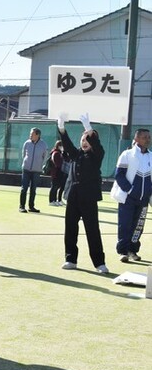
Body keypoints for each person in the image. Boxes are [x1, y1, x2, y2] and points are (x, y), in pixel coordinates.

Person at [57, 113, 108, 273]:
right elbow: (68, 144)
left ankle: (99, 263)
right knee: (70, 228)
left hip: (89, 198)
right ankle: (70, 259)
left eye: (88, 139)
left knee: (92, 230)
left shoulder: (96, 155)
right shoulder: (76, 154)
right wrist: (62, 129)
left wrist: (89, 128)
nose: (84, 142)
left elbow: (97, 147)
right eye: (83, 139)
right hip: (73, 196)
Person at [111, 128, 151, 262]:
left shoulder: (151, 156)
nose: (148, 139)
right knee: (125, 224)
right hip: (127, 198)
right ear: (137, 139)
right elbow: (119, 175)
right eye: (144, 137)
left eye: (148, 137)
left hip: (144, 200)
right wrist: (130, 190)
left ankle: (133, 250)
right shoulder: (127, 154)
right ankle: (123, 251)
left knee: (138, 226)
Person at [18, 127, 47, 213]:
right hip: (26, 169)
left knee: (33, 189)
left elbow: (45, 156)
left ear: (37, 135)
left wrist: (40, 165)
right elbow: (23, 154)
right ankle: (22, 206)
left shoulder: (43, 145)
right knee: (24, 188)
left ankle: (31, 206)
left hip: (36, 170)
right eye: (30, 134)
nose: (30, 135)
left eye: (32, 134)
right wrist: (25, 163)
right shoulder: (26, 143)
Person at [47, 140, 67, 207]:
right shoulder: (56, 153)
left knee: (56, 187)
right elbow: (57, 164)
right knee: (54, 187)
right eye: (61, 146)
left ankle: (55, 200)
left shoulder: (60, 153)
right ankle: (51, 200)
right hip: (55, 173)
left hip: (58, 173)